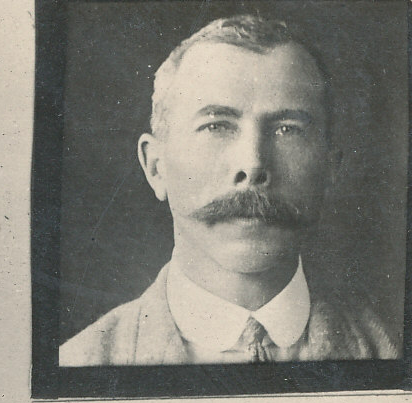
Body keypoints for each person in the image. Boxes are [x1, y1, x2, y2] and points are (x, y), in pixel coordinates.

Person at [59, 15, 397, 366]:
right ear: (156, 167)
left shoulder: (393, 355)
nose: (252, 165)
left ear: (330, 168)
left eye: (286, 129)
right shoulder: (81, 364)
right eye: (216, 125)